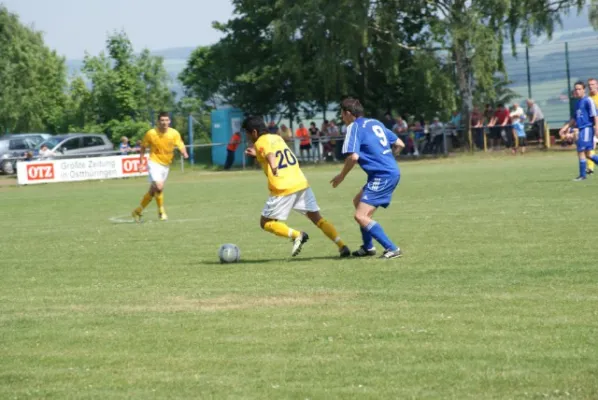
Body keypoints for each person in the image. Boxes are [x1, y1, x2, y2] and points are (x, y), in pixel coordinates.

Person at [242, 115, 350, 257]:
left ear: (254, 132)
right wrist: (257, 155)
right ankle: (342, 245)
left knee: (265, 222)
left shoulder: (260, 141)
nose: (248, 137)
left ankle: (297, 235)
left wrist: (273, 166)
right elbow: (273, 152)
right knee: (318, 218)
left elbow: (270, 155)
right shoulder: (277, 138)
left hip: (283, 187)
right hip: (300, 183)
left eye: (248, 134)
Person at [330, 98, 405, 259]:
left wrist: (341, 176)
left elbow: (353, 157)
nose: (342, 118)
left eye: (342, 115)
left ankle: (392, 248)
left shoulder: (354, 127)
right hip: (387, 172)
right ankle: (368, 247)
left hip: (382, 175)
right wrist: (388, 159)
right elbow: (400, 144)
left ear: (348, 114)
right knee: (358, 201)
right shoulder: (374, 122)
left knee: (360, 216)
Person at [131, 112, 189, 222]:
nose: (164, 122)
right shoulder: (151, 133)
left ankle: (138, 211)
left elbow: (180, 144)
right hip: (154, 162)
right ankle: (161, 211)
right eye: (162, 120)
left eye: (166, 120)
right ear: (158, 122)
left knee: (154, 191)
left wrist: (184, 152)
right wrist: (141, 163)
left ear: (169, 121)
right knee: (159, 186)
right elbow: (143, 147)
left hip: (166, 165)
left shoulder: (174, 133)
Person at [558, 81, 598, 181]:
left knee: (581, 151)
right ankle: (582, 175)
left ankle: (582, 175)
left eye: (579, 89)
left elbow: (595, 115)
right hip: (581, 129)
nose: (577, 91)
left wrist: (596, 128)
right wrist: (565, 128)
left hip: (587, 128)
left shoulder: (588, 100)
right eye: (576, 89)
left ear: (584, 90)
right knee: (589, 154)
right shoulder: (577, 103)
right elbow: (574, 118)